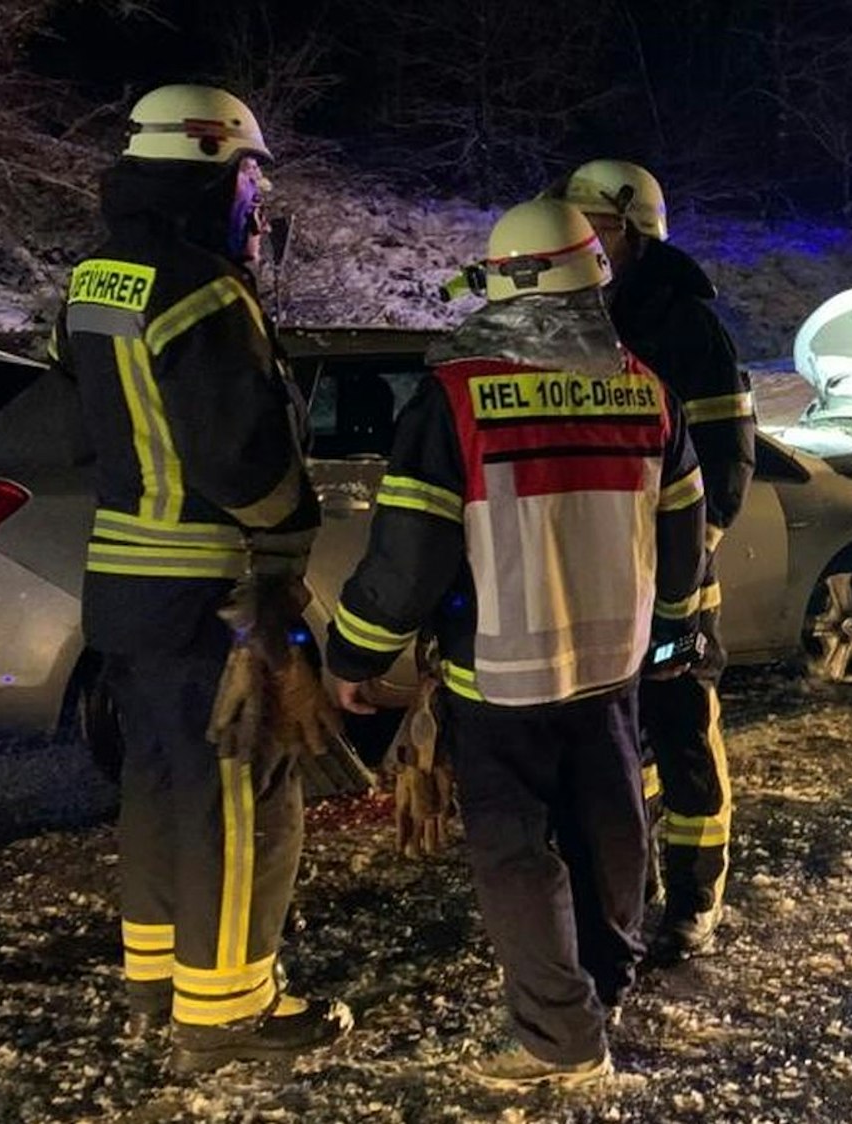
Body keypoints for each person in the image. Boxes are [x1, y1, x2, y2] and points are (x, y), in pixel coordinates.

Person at [324, 198, 706, 1088]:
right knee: (612, 825)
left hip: (498, 672)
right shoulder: (646, 388)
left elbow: (408, 555)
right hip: (612, 667)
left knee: (514, 854)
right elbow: (685, 538)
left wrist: (354, 656)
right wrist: (675, 628)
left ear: (501, 290)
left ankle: (558, 1038)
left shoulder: (458, 398)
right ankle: (604, 991)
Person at [54, 84, 351, 1072]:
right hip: (207, 590)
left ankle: (158, 980)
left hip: (125, 586)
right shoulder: (204, 289)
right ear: (215, 170)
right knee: (239, 797)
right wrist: (289, 532)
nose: (254, 204)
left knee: (159, 783)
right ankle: (226, 1009)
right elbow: (244, 460)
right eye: (248, 179)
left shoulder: (94, 279)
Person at [548, 159, 755, 964]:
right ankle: (633, 888)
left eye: (595, 227)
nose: (581, 241)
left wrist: (686, 562)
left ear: (635, 232)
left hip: (673, 574)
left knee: (683, 730)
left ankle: (696, 898)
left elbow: (727, 464)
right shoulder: (573, 315)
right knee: (617, 736)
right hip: (600, 572)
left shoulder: (685, 327)